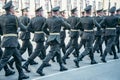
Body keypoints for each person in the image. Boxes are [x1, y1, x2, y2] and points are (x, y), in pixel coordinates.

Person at [36, 6, 70, 76]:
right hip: (56, 38)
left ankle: (61, 66)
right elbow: (68, 26)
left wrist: (50, 34)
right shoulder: (59, 19)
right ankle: (40, 68)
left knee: (58, 52)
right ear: (57, 12)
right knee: (51, 53)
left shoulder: (48, 19)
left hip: (51, 37)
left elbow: (43, 28)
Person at [0, 1, 29, 80]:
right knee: (4, 60)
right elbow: (24, 28)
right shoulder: (14, 17)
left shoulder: (1, 17)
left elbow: (0, 31)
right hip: (11, 41)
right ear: (10, 9)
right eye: (13, 8)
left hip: (7, 40)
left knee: (18, 57)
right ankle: (21, 74)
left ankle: (21, 74)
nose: (14, 9)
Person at [22, 7, 50, 72]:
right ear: (39, 12)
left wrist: (34, 31)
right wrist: (48, 33)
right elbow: (46, 28)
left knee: (43, 49)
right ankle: (26, 64)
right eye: (42, 11)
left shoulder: (32, 19)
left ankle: (45, 62)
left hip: (36, 36)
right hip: (40, 36)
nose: (42, 12)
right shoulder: (43, 19)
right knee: (37, 51)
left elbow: (28, 28)